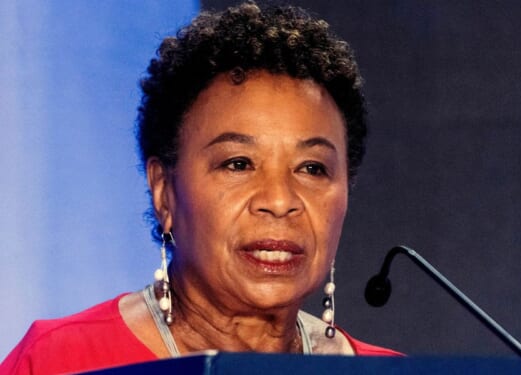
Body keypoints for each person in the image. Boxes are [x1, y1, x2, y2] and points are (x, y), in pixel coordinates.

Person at [0, 2, 401, 374]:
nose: (280, 201)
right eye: (238, 164)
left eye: (312, 168)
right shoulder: (61, 360)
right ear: (164, 189)